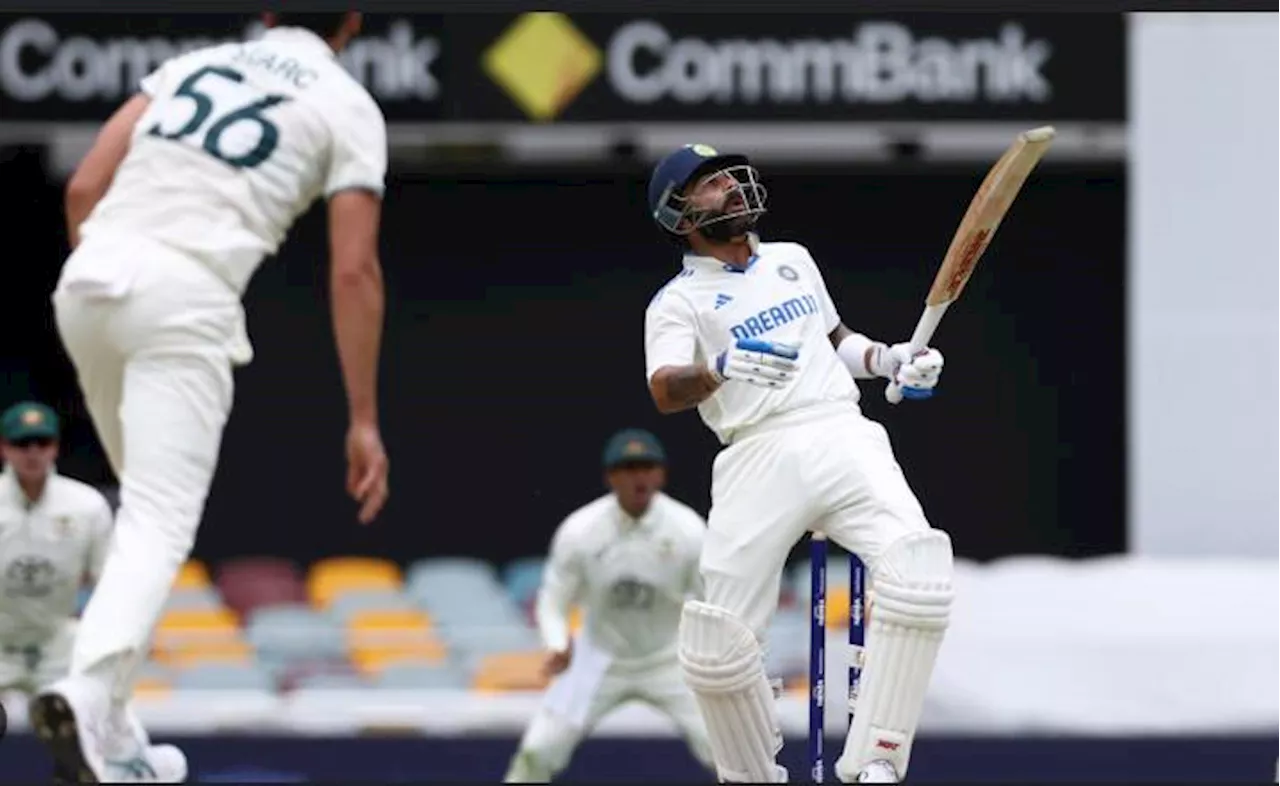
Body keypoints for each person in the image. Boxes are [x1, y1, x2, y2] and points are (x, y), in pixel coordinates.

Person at [31, 12, 392, 783]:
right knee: (160, 522)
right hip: (184, 298)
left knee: (141, 518)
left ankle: (118, 733)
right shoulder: (347, 102)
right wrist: (362, 418)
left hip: (90, 280)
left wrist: (113, 281)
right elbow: (353, 273)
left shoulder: (195, 64)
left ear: (266, 14)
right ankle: (87, 692)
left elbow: (85, 187)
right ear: (352, 24)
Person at [641, 144, 954, 784]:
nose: (730, 186)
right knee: (717, 641)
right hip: (756, 451)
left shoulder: (793, 260)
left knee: (919, 572)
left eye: (729, 174)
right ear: (680, 215)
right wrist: (718, 369)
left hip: (841, 430)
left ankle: (876, 762)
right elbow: (665, 389)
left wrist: (890, 361)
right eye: (709, 184)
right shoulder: (678, 303)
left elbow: (836, 344)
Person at [504, 429, 715, 783]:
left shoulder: (689, 530)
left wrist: (714, 655)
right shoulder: (580, 531)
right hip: (597, 657)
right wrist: (556, 644)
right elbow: (553, 600)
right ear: (610, 477)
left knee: (729, 753)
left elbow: (712, 600)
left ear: (661, 474)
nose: (639, 477)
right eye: (628, 468)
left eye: (647, 467)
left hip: (670, 659)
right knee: (537, 752)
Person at [0, 401, 177, 783]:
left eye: (41, 442)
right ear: (5, 448)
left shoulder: (86, 505)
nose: (32, 453)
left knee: (95, 726)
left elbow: (108, 585)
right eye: (22, 443)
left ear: (55, 446)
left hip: (56, 642)